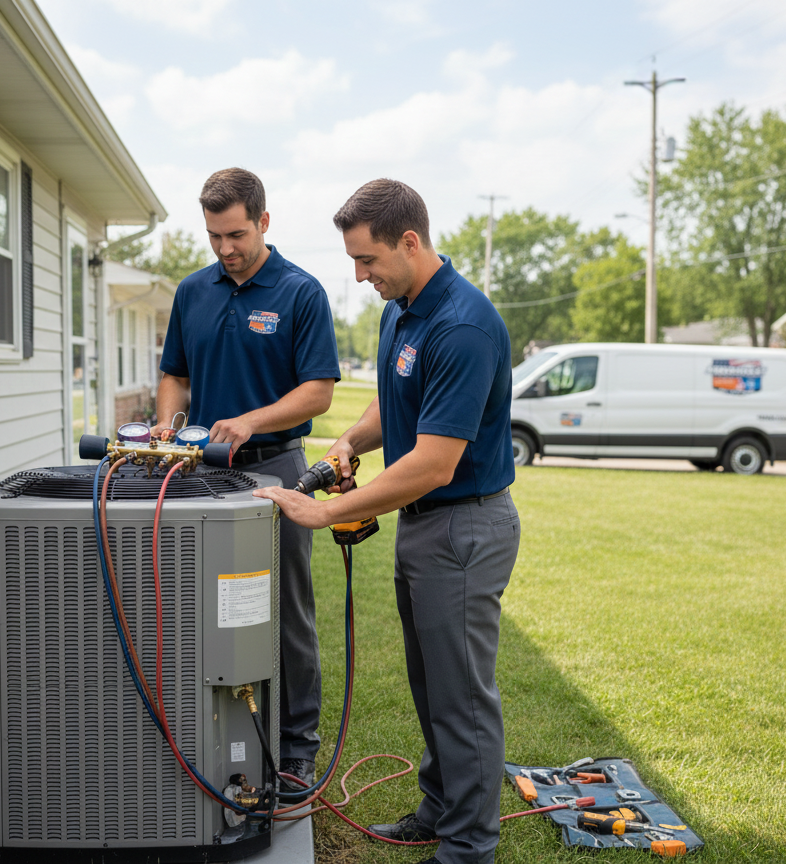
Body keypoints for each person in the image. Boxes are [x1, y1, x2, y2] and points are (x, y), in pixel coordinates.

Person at [255, 179, 520, 864]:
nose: (358, 275)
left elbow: (433, 462)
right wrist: (350, 441)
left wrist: (327, 510)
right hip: (426, 528)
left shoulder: (462, 324)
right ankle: (440, 809)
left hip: (464, 527)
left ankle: (468, 848)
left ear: (410, 242)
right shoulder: (401, 309)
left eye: (367, 260)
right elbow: (394, 404)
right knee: (433, 685)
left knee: (462, 697)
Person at [154, 168, 341, 785]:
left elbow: (317, 393)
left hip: (277, 471)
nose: (226, 248)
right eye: (214, 236)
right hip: (200, 473)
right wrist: (166, 430)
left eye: (236, 234)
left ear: (264, 220)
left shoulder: (300, 292)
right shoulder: (192, 291)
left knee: (285, 612)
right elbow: (175, 375)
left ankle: (295, 748)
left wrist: (248, 420)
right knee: (196, 604)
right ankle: (200, 727)